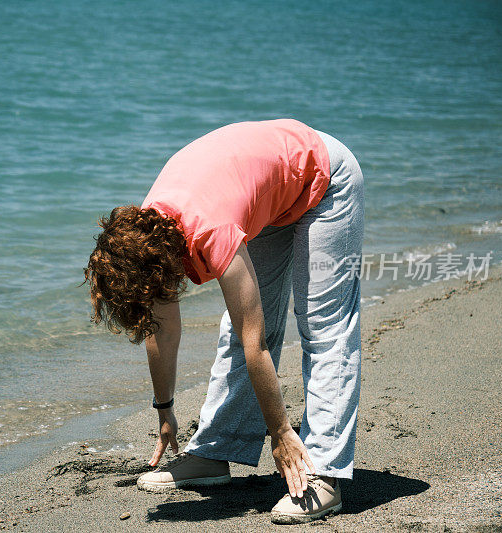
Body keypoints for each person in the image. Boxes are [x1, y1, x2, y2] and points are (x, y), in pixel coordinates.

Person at [83, 118, 364, 524]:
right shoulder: (146, 235)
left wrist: (283, 432)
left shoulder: (210, 231)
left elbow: (257, 344)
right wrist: (165, 411)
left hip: (325, 177)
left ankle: (323, 473)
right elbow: (160, 329)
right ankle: (216, 451)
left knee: (323, 325)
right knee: (240, 324)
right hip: (269, 193)